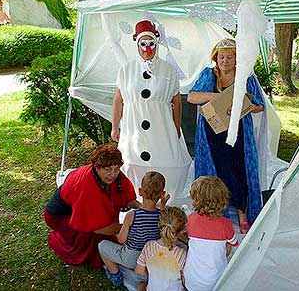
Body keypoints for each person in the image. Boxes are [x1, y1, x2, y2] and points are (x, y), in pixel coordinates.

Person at [187, 38, 265, 233]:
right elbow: (191, 97)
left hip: (238, 133)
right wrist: (216, 97)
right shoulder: (209, 75)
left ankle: (242, 214)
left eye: (230, 57)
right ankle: (213, 212)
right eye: (222, 57)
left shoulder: (245, 78)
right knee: (216, 171)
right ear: (216, 58)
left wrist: (246, 106)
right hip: (212, 132)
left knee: (239, 170)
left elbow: (260, 106)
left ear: (237, 59)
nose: (225, 61)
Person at [111, 19, 191, 203]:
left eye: (151, 44)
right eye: (143, 44)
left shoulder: (168, 70)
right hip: (133, 128)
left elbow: (176, 100)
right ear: (137, 44)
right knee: (132, 164)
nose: (148, 48)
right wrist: (115, 127)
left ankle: (163, 202)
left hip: (161, 127)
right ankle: (138, 204)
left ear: (156, 44)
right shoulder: (126, 69)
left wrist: (176, 126)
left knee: (167, 163)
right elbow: (118, 100)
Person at [44, 144, 139, 267]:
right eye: (108, 170)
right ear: (97, 167)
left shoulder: (115, 176)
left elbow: (128, 198)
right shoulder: (88, 187)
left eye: (116, 169)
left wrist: (146, 210)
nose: (113, 174)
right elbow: (98, 227)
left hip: (76, 207)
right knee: (90, 243)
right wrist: (130, 228)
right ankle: (59, 240)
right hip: (59, 216)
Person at [97, 171, 166, 287]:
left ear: (140, 192)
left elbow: (121, 240)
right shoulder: (162, 216)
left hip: (131, 258)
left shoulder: (132, 215)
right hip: (151, 258)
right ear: (162, 194)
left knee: (102, 245)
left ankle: (115, 275)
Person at [183, 176, 238, 291]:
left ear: (196, 200)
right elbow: (231, 246)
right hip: (216, 281)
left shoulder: (191, 220)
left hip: (192, 281)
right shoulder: (226, 224)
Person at [136, 206, 188, 291]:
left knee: (141, 285)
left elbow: (139, 270)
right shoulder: (183, 254)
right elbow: (185, 280)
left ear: (159, 224)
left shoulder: (149, 246)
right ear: (182, 231)